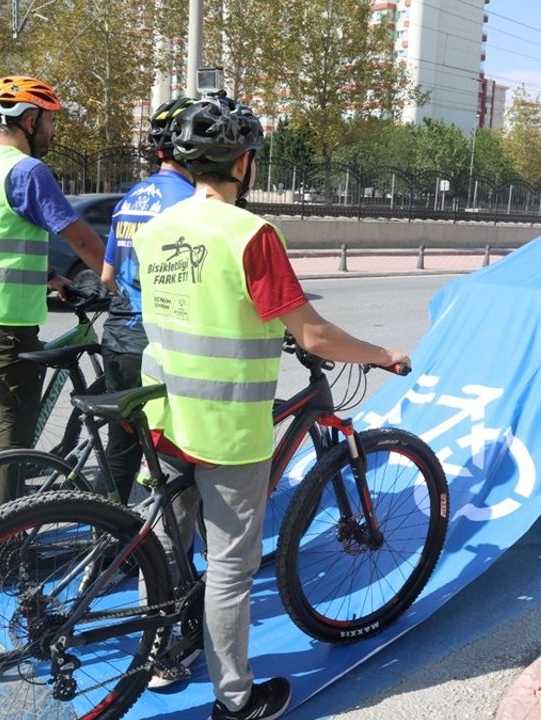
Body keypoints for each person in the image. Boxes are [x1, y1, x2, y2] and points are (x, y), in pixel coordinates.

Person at [134, 93, 409, 720]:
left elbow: (194, 307)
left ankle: (160, 657)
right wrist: (380, 353)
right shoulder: (251, 233)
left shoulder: (157, 231)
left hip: (165, 412)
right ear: (244, 162)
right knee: (231, 569)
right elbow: (313, 336)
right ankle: (236, 702)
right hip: (226, 426)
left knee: (168, 544)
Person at [0, 76, 105, 507]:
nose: (53, 132)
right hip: (5, 327)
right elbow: (83, 240)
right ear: (31, 120)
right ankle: (5, 545)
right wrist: (122, 281)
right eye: (51, 122)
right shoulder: (27, 170)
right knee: (10, 442)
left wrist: (49, 275)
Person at [99, 96, 196, 505]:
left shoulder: (132, 197)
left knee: (121, 446)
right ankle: (163, 550)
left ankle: (105, 540)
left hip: (117, 336)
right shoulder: (190, 202)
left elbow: (107, 276)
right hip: (156, 342)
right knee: (171, 449)